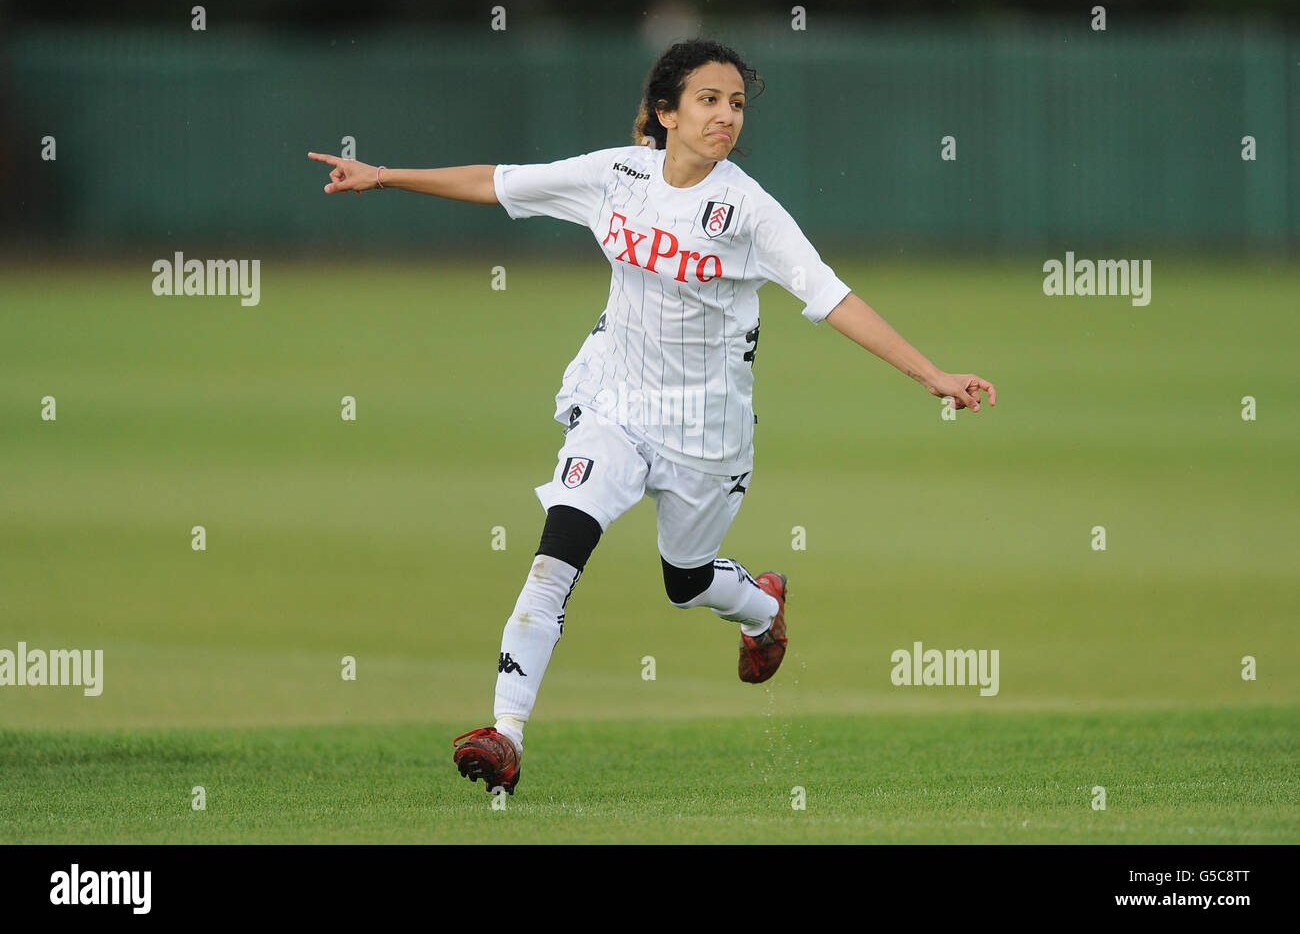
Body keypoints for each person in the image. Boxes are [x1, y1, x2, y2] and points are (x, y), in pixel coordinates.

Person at [309, 39, 996, 796]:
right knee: (555, 558)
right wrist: (381, 176)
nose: (726, 115)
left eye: (736, 102)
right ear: (665, 112)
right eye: (708, 99)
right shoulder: (617, 175)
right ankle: (505, 734)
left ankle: (763, 608)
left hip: (708, 433)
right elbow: (500, 182)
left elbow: (830, 297)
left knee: (687, 580)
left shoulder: (749, 211)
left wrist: (932, 373)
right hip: (614, 407)